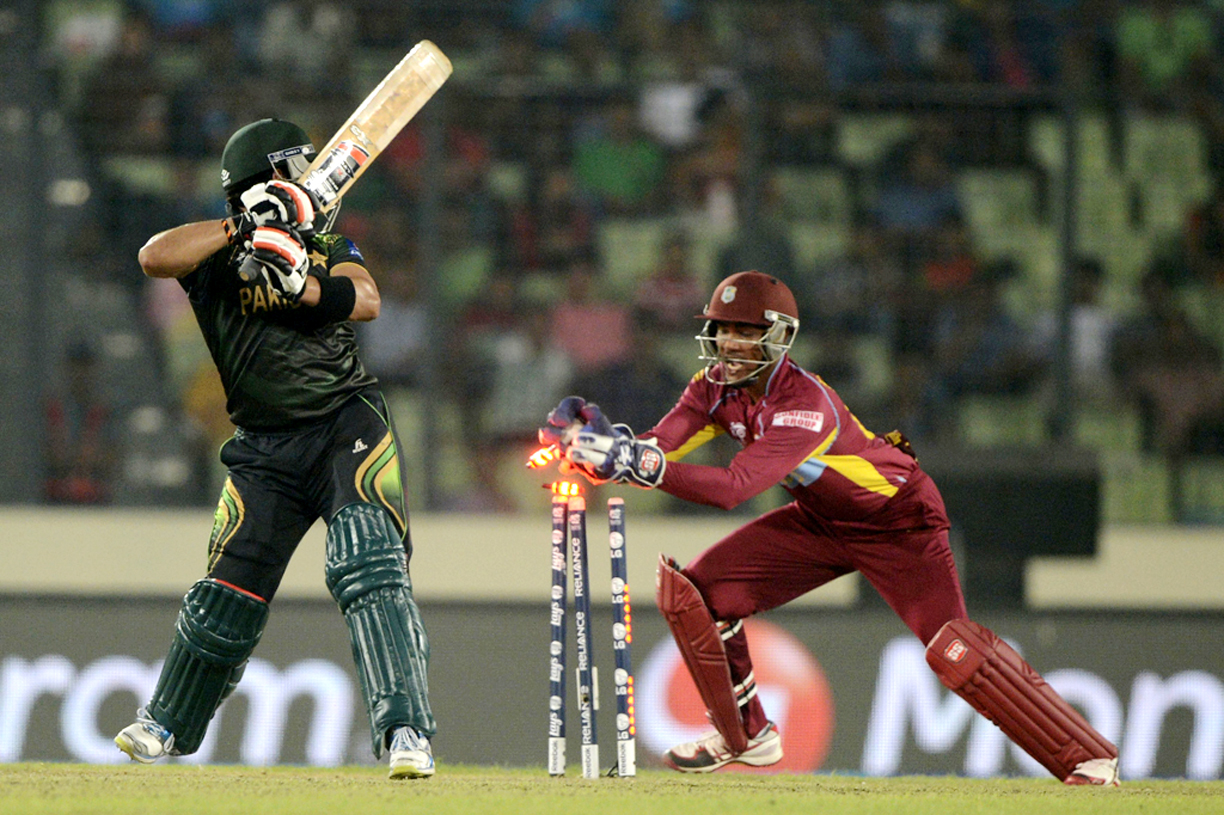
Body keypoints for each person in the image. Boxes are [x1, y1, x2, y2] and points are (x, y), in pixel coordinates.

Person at [538, 270, 1120, 785]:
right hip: (822, 519)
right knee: (699, 595)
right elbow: (655, 451)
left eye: (746, 331)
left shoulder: (804, 404)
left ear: (778, 336)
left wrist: (639, 464)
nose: (731, 343)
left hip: (899, 522)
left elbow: (735, 488)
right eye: (723, 329)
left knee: (953, 649)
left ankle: (1088, 757)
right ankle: (746, 736)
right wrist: (597, 447)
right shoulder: (710, 389)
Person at [112, 119, 436, 779]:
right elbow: (152, 256)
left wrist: (303, 286)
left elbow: (367, 300)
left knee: (368, 566)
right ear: (270, 177)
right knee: (226, 592)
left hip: (346, 425)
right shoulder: (212, 253)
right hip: (263, 446)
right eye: (302, 167)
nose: (319, 177)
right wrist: (244, 227)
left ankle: (406, 730)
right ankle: (166, 723)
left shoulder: (328, 242)